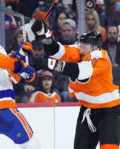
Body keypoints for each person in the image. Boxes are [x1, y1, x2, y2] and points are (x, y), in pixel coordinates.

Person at [31, 20, 120, 149]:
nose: (80, 48)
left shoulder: (101, 59)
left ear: (94, 47)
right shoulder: (79, 50)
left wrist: (50, 63)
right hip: (87, 110)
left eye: (84, 46)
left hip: (109, 111)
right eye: (80, 44)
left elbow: (81, 72)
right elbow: (57, 51)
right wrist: (45, 37)